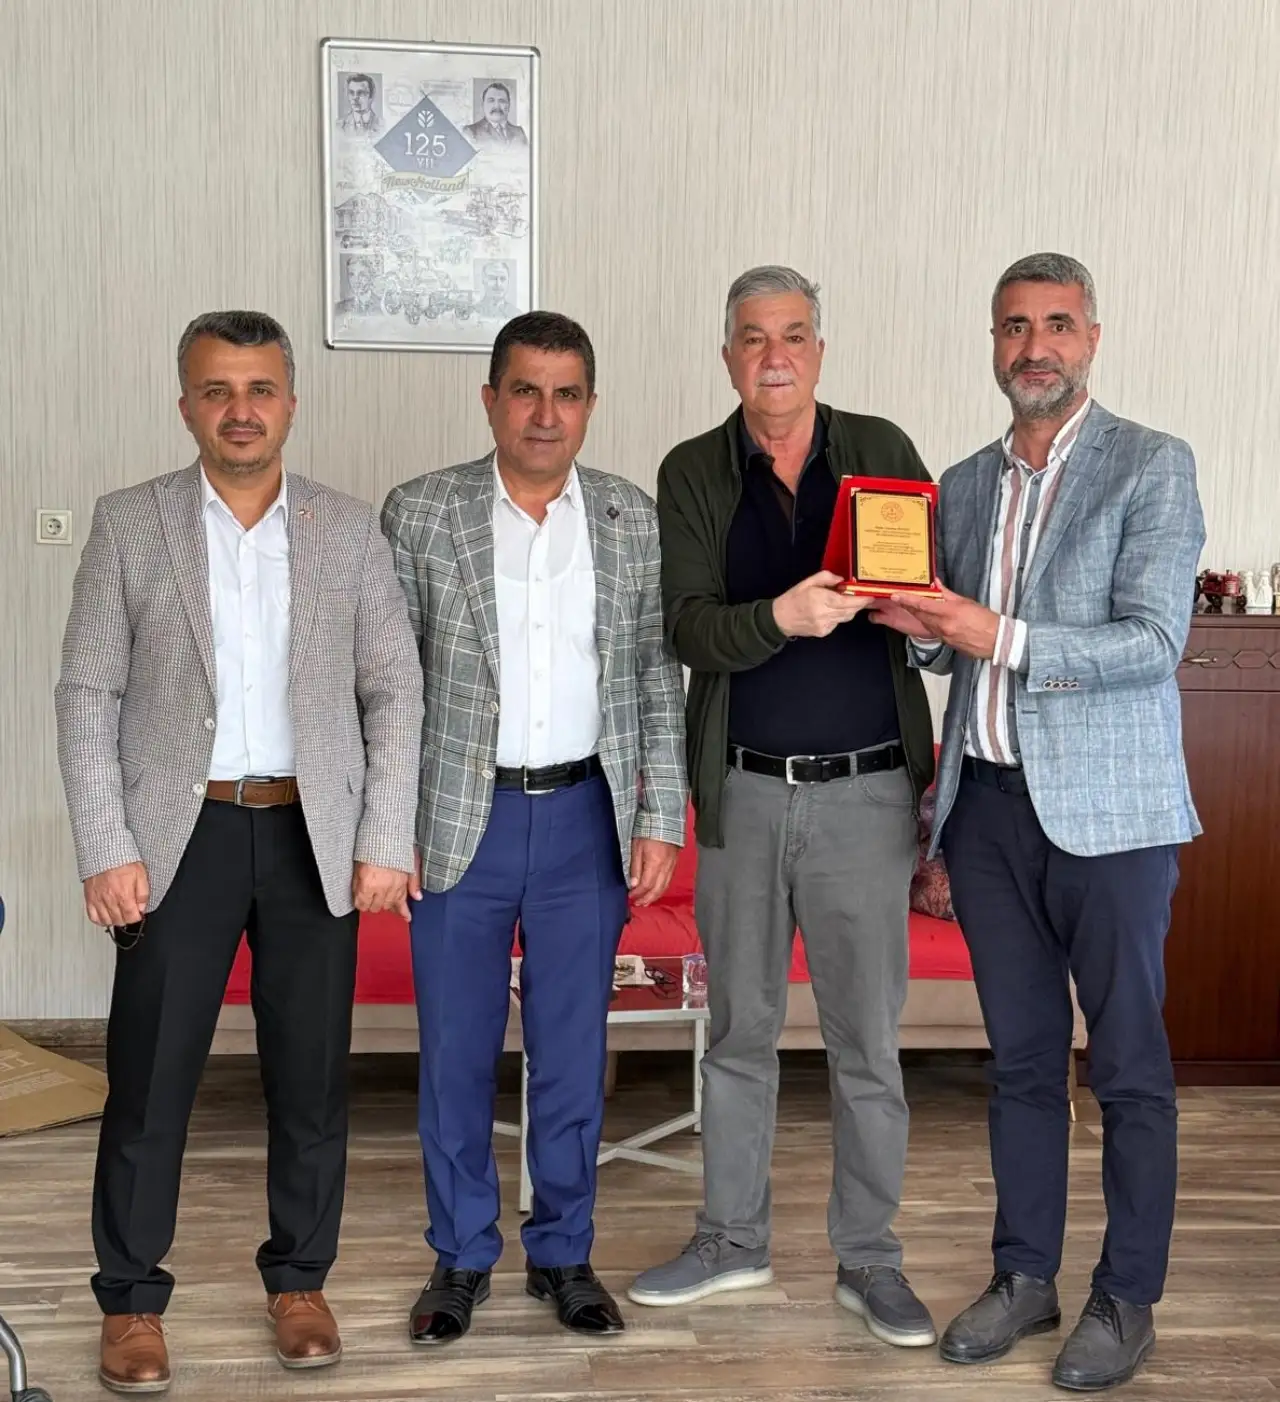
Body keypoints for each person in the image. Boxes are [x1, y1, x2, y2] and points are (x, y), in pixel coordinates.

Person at [55, 310, 423, 1395]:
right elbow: (87, 691)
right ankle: (130, 1298)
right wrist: (105, 843)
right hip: (180, 836)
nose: (241, 409)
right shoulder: (132, 523)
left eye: (259, 388)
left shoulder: (347, 529)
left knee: (310, 1082)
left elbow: (393, 688)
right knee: (150, 1080)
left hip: (315, 833)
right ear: (186, 406)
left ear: (290, 402)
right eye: (217, 389)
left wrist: (382, 835)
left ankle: (300, 1283)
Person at [871, 253, 1204, 1392]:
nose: (1035, 347)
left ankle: (1126, 1296)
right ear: (993, 341)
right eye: (1015, 326)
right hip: (988, 814)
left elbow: (1152, 642)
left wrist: (992, 632)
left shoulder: (1150, 464)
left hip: (1111, 820)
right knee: (1017, 1062)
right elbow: (948, 650)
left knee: (1127, 1066)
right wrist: (916, 622)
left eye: (1057, 324)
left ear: (1091, 338)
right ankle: (1024, 1277)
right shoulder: (962, 484)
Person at [628, 266, 939, 1349]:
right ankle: (730, 1239)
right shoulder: (691, 469)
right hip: (746, 791)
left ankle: (871, 1258)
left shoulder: (883, 448)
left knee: (867, 1045)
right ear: (727, 355)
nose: (774, 356)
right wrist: (780, 618)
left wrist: (917, 616)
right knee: (738, 1034)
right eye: (753, 337)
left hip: (868, 793)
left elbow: (933, 608)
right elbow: (685, 626)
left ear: (819, 349)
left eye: (793, 334)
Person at [381, 310, 687, 1345]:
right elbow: (388, 682)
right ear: (490, 400)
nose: (544, 414)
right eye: (525, 390)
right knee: (455, 1055)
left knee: (570, 1053)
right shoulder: (421, 512)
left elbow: (654, 678)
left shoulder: (630, 518)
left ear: (589, 405)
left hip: (584, 820)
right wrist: (387, 821)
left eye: (565, 394)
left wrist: (659, 815)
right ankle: (461, 1254)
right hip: (455, 819)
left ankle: (562, 1252)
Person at [463, 81, 528, 147]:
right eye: (491, 100)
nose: (496, 106)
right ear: (483, 105)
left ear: (508, 105)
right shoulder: (470, 131)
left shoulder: (519, 132)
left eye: (502, 101)